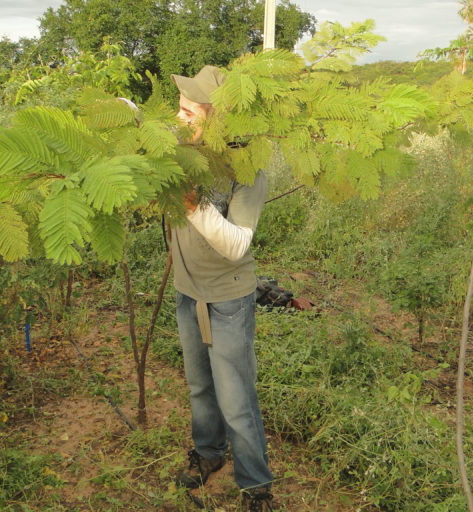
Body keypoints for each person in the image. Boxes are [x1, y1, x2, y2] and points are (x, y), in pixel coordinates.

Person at [169, 65, 274, 511]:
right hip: (186, 289)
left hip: (228, 298)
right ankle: (209, 454)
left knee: (236, 399)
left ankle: (255, 487)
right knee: (199, 386)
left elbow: (235, 245)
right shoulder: (179, 153)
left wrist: (195, 205)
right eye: (179, 108)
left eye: (188, 112)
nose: (179, 119)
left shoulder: (247, 168)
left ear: (216, 117)